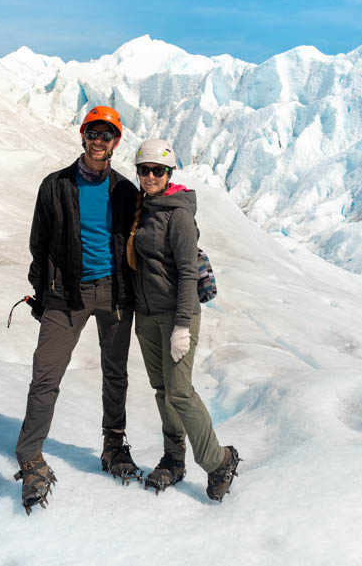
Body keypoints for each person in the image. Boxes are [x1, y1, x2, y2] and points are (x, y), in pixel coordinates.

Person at [13, 105, 141, 515]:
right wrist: (42, 293)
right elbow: (40, 243)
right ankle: (30, 457)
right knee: (45, 375)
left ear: (116, 141)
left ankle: (113, 446)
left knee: (115, 373)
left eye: (107, 135)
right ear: (82, 136)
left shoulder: (125, 190)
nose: (99, 141)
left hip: (115, 294)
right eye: (93, 133)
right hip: (66, 295)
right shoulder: (55, 185)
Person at [127, 139, 240, 502]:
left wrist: (181, 326)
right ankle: (173, 459)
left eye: (157, 171)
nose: (149, 176)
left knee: (179, 391)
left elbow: (188, 273)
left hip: (177, 315)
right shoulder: (142, 208)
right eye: (144, 170)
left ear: (169, 173)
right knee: (163, 391)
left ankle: (219, 460)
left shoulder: (178, 215)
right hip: (146, 316)